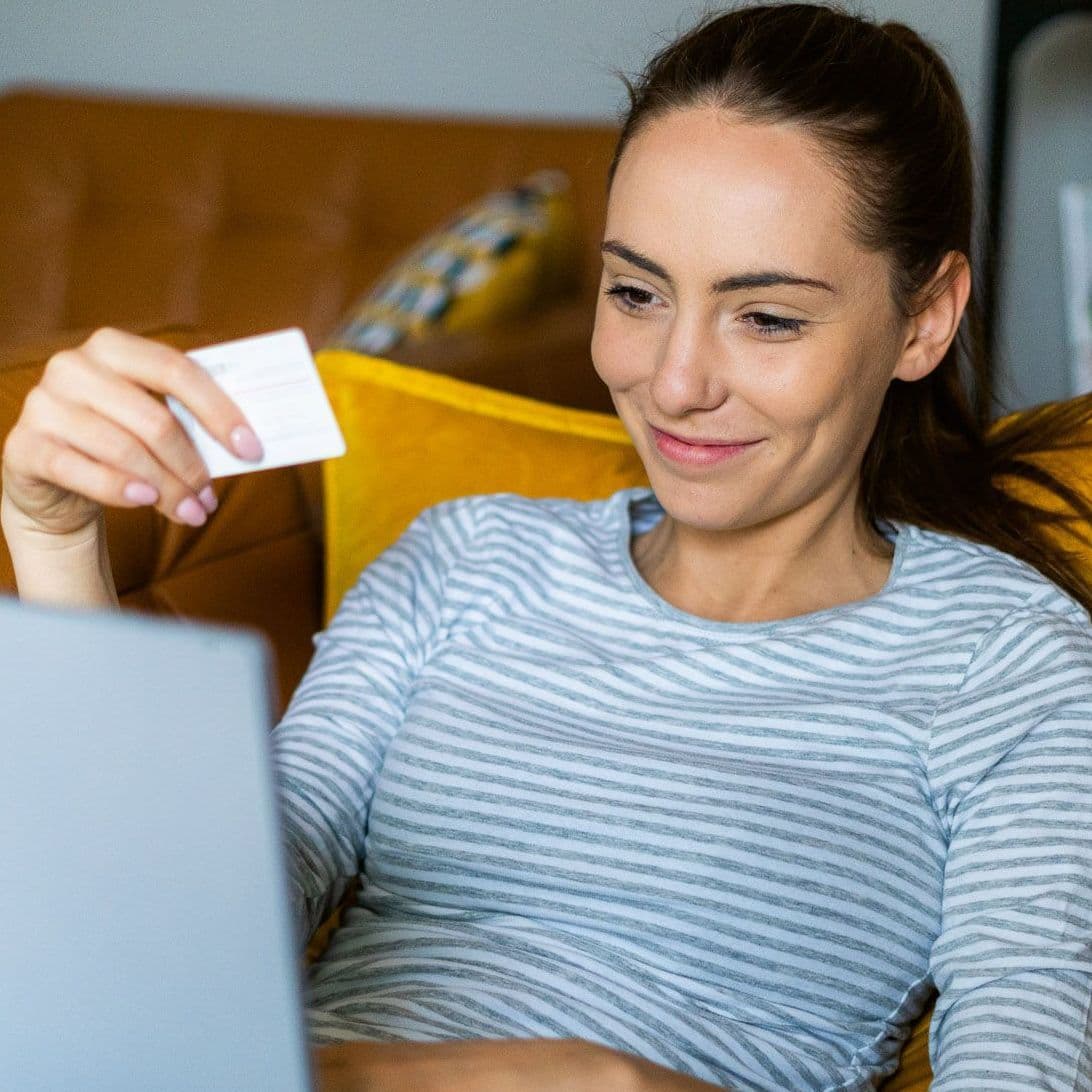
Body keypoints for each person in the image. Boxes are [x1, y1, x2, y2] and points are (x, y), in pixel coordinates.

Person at [3, 3, 1092, 1089]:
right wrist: (53, 545)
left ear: (924, 318)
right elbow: (194, 926)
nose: (674, 384)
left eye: (766, 318)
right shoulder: (466, 561)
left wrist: (604, 1083)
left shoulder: (1008, 663)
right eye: (637, 293)